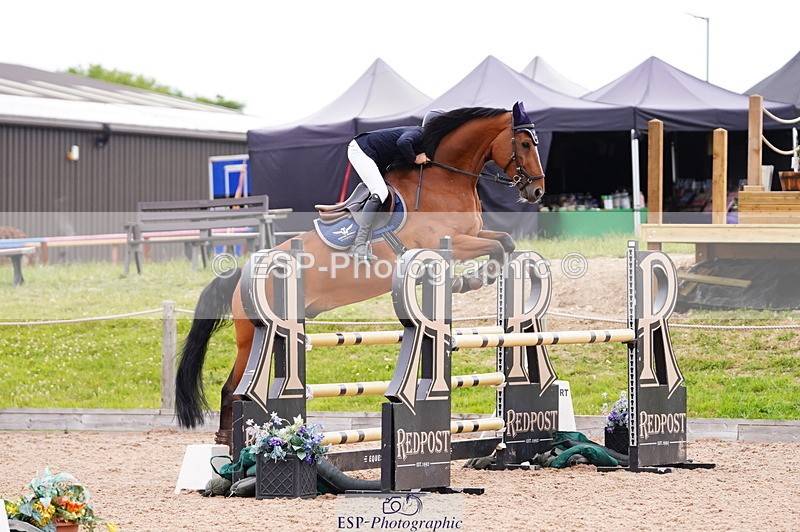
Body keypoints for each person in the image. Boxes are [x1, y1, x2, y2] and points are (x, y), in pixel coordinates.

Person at [346, 109, 444, 262]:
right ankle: (358, 245)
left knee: (387, 193)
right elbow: (403, 142)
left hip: (373, 154)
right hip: (361, 150)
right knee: (380, 191)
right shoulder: (419, 133)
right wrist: (414, 159)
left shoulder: (423, 140)